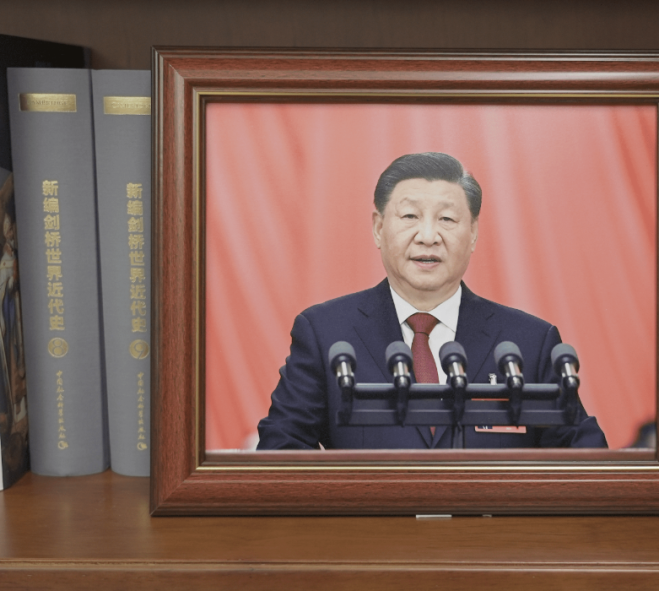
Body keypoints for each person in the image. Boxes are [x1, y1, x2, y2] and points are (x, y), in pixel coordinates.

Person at [256, 152, 607, 450]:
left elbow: (587, 460)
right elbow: (280, 450)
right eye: (410, 216)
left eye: (447, 219)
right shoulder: (326, 334)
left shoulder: (529, 342)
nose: (427, 236)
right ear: (378, 227)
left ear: (473, 232)